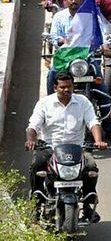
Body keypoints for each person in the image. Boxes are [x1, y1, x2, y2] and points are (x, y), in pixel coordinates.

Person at [26, 71, 106, 223]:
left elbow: (93, 123)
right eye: (62, 87)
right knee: (37, 165)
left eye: (69, 86)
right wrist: (31, 140)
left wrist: (98, 140)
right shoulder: (44, 103)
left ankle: (88, 205)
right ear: (55, 87)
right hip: (50, 148)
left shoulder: (83, 102)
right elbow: (33, 125)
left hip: (77, 148)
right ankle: (37, 202)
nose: (66, 90)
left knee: (91, 166)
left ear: (73, 86)